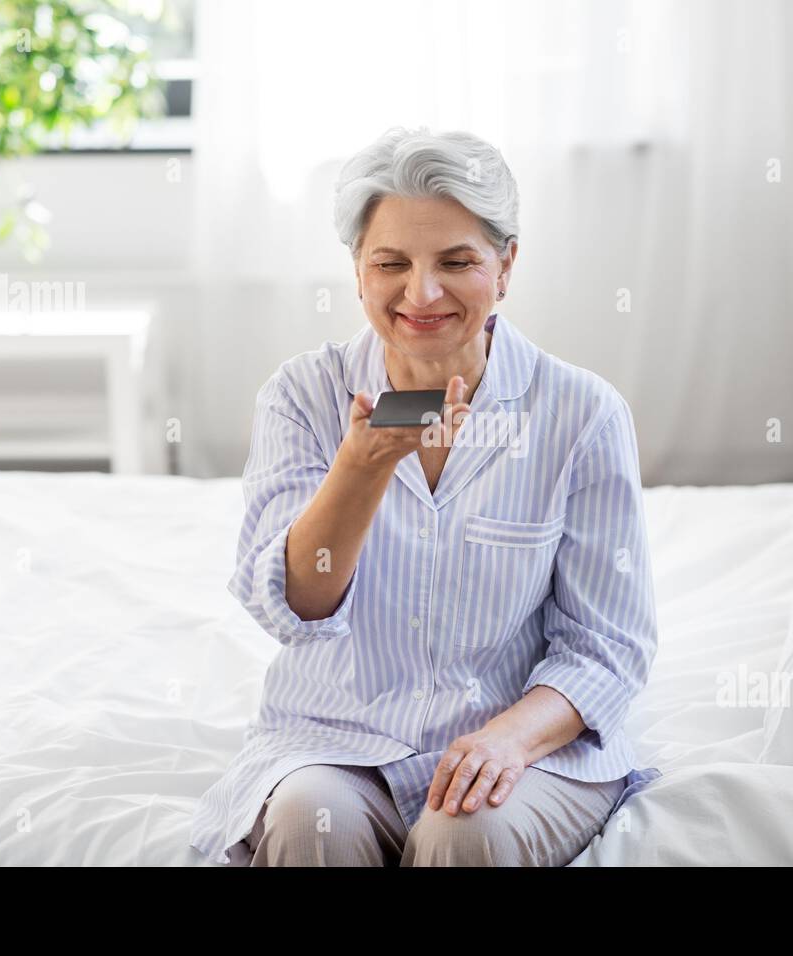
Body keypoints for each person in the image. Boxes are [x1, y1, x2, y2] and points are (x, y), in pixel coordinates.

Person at [189, 126, 661, 867]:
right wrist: (361, 468)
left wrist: (506, 739)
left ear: (506, 266)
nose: (422, 293)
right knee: (314, 820)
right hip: (336, 740)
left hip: (522, 747)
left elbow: (607, 649)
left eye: (457, 262)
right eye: (391, 264)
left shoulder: (582, 413)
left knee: (461, 833)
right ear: (357, 269)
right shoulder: (301, 398)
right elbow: (294, 608)